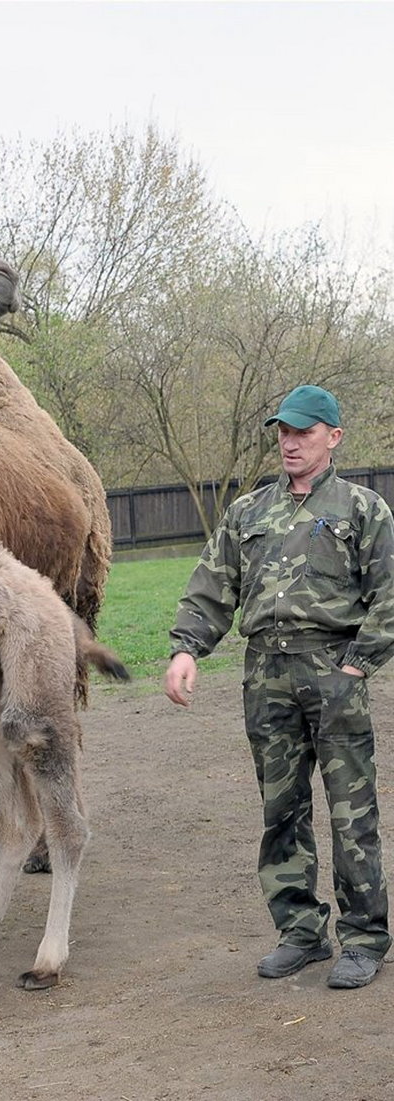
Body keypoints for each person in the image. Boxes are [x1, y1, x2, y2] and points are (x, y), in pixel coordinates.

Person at [164, 384, 394, 989]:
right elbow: (212, 588)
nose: (290, 443)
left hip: (333, 672)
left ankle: (364, 938)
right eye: (284, 433)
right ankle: (300, 933)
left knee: (352, 813)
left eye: (303, 432)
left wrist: (354, 667)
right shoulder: (248, 513)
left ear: (333, 437)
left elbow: (389, 599)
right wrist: (187, 649)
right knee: (281, 810)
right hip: (266, 676)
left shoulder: (362, 509)